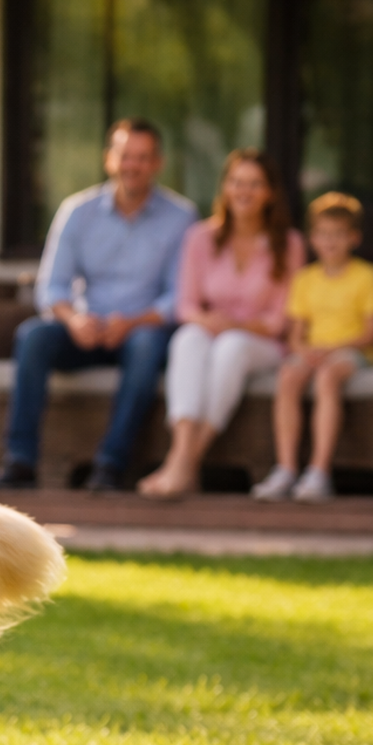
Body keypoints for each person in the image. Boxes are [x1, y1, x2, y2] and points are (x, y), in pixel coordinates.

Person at [0, 118, 197, 491]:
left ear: (157, 163)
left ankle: (110, 466)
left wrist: (131, 323)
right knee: (33, 336)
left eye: (143, 157)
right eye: (125, 156)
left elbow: (178, 296)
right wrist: (74, 320)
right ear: (109, 159)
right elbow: (52, 286)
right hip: (85, 330)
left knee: (146, 345)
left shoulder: (181, 217)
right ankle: (20, 462)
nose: (133, 165)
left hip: (142, 332)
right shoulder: (77, 211)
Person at [138, 150, 305, 499]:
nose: (244, 191)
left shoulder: (289, 244)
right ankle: (182, 450)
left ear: (270, 193)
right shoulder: (200, 237)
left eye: (255, 184)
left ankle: (184, 462)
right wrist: (208, 321)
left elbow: (281, 320)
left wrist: (237, 326)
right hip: (210, 331)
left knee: (232, 347)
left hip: (261, 343)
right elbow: (186, 305)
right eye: (237, 182)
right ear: (225, 188)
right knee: (187, 338)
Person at [251, 192, 373, 502]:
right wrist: (303, 351)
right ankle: (285, 468)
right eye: (324, 234)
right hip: (313, 352)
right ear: (312, 238)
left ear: (354, 238)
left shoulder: (366, 277)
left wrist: (332, 348)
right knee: (288, 376)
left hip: (352, 352)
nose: (330, 242)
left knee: (328, 377)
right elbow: (295, 335)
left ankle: (319, 471)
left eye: (338, 234)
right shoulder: (305, 279)